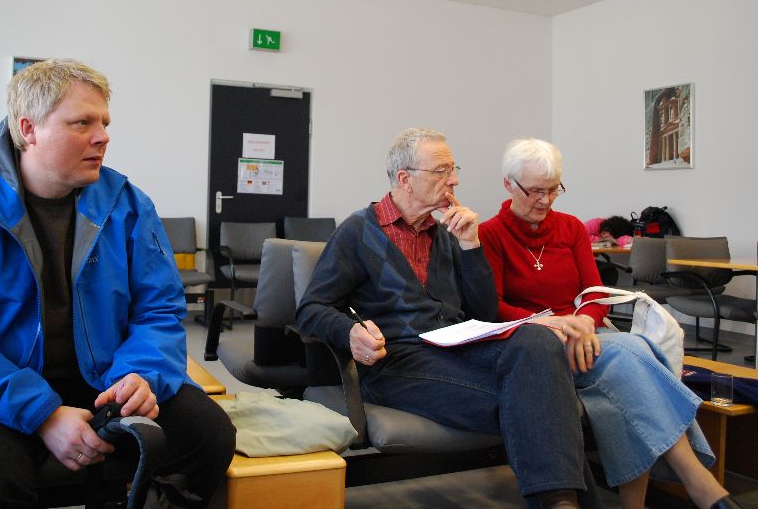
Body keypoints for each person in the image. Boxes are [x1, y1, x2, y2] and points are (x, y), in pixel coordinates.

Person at [0, 59, 235, 508]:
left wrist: (140, 375)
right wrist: (43, 414)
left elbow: (159, 310)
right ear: (29, 129)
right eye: (82, 123)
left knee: (209, 435)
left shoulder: (128, 205)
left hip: (105, 380)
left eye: (104, 123)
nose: (102, 137)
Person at [296, 127, 598, 509]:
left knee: (538, 338)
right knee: (538, 398)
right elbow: (311, 309)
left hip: (457, 346)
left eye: (454, 169)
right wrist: (350, 331)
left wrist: (471, 244)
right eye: (441, 170)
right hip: (398, 362)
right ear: (405, 178)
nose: (454, 179)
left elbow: (484, 312)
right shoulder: (358, 231)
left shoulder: (445, 234)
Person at [479, 137, 740, 509]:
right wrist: (560, 325)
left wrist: (584, 322)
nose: (545, 200)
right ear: (508, 184)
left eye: (553, 190)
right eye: (535, 191)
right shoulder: (489, 234)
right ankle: (699, 482)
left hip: (586, 337)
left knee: (618, 393)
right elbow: (495, 309)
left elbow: (594, 293)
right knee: (635, 350)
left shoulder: (571, 228)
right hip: (537, 344)